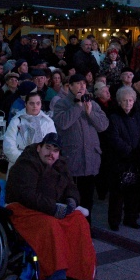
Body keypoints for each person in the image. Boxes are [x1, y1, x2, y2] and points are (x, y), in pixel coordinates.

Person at [5, 133, 96, 280]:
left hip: (50, 208)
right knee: (51, 225)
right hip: (24, 209)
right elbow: (26, 194)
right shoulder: (27, 163)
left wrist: (71, 201)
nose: (51, 153)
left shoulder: (61, 165)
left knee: (78, 220)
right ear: (39, 147)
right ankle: (56, 274)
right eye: (47, 148)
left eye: (55, 150)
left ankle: (75, 269)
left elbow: (71, 187)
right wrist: (53, 208)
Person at [52, 73, 109, 222]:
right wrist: (78, 106)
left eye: (84, 84)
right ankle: (73, 228)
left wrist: (90, 113)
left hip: (90, 159)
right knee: (72, 198)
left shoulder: (92, 103)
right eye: (77, 83)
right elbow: (62, 123)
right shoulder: (62, 104)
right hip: (73, 159)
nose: (82, 86)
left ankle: (86, 228)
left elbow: (103, 125)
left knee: (88, 198)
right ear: (69, 87)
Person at [105, 87, 140, 231]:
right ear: (119, 102)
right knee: (117, 193)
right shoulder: (114, 117)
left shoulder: (138, 116)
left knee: (134, 192)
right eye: (125, 100)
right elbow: (114, 138)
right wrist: (130, 151)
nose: (128, 103)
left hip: (136, 160)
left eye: (130, 100)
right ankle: (114, 220)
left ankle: (131, 218)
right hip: (120, 160)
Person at [3, 92, 57, 173]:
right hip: (19, 165)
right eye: (31, 103)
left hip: (42, 167)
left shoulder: (48, 122)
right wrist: (25, 161)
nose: (35, 106)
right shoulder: (16, 121)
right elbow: (9, 147)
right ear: (25, 104)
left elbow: (53, 146)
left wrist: (41, 161)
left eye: (38, 103)